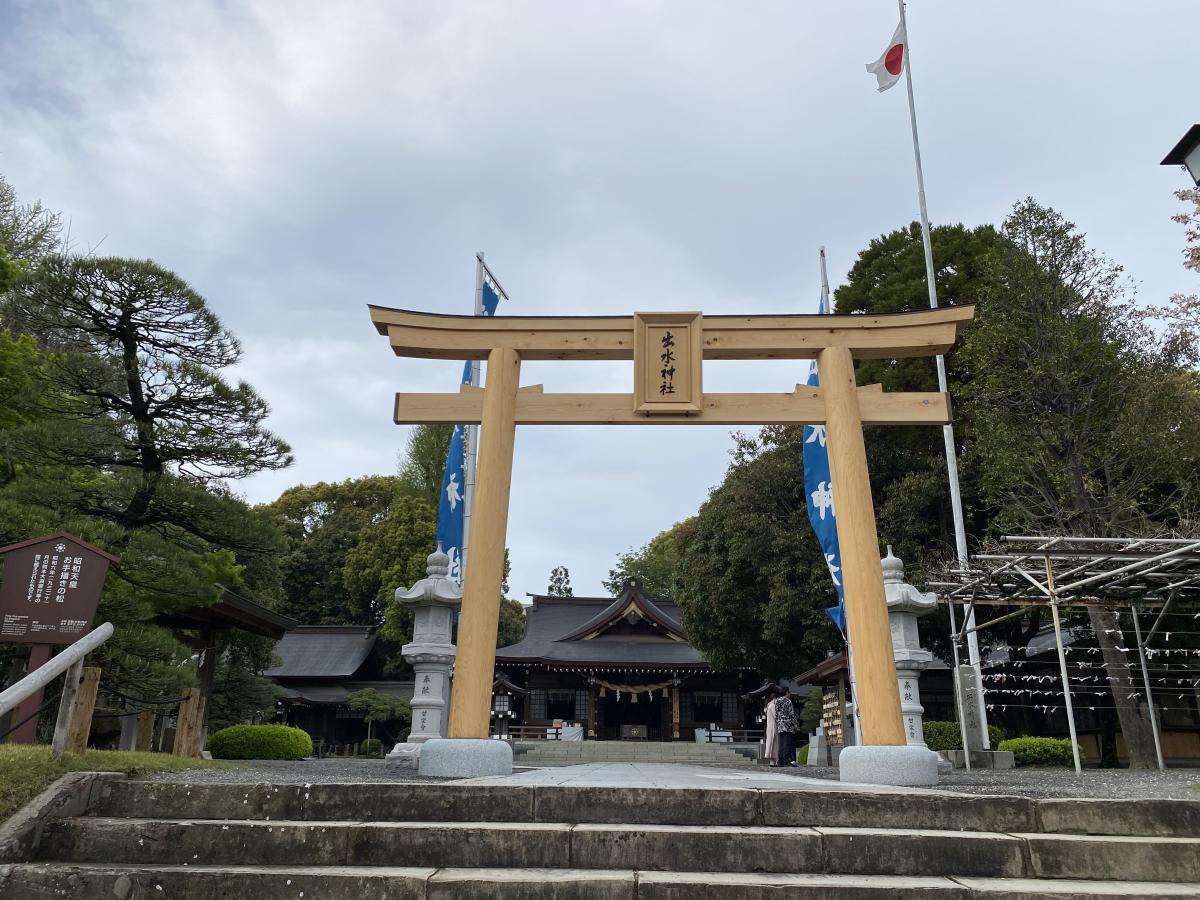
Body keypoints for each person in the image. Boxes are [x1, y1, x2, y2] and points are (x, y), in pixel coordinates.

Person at [775, 687, 798, 767]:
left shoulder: (777, 701)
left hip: (780, 724)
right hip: (787, 724)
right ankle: (786, 761)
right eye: (789, 692)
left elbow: (776, 713)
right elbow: (792, 714)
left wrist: (778, 722)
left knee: (781, 743)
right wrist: (795, 725)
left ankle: (780, 761)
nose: (789, 694)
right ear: (786, 692)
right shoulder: (788, 701)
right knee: (787, 743)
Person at [763, 688, 779, 766]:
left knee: (771, 742)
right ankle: (773, 760)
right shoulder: (772, 705)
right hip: (773, 726)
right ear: (775, 698)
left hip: (769, 726)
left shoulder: (768, 706)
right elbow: (776, 716)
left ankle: (772, 761)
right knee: (774, 743)